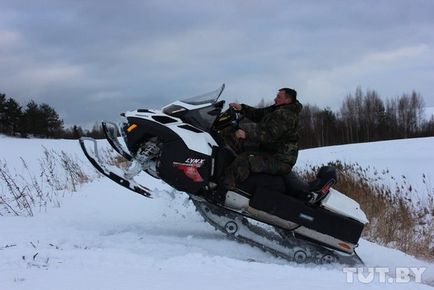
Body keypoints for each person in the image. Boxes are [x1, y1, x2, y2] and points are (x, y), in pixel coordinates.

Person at [220, 88, 303, 191]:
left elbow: (269, 136)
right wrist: (241, 108)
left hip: (280, 159)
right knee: (235, 143)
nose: (275, 99)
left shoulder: (286, 115)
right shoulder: (277, 109)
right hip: (270, 151)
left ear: (288, 100)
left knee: (245, 159)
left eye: (278, 97)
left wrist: (246, 134)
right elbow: (258, 114)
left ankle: (226, 190)